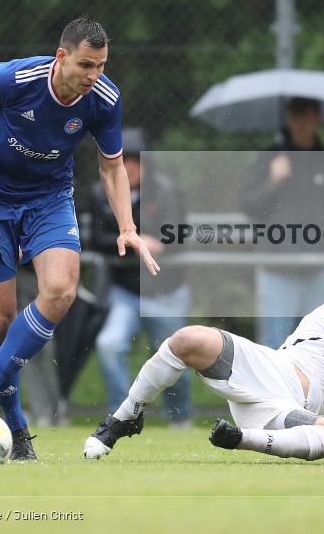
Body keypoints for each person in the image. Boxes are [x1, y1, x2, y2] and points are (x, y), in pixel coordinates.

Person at [0, 17, 159, 461]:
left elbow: (111, 166)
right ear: (61, 56)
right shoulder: (14, 78)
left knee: (62, 290)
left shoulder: (104, 98)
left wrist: (127, 227)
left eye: (101, 66)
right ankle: (16, 431)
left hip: (48, 198)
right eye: (86, 65)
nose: (94, 75)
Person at [83, 268, 324, 464]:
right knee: (189, 339)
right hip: (268, 370)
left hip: (285, 416)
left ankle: (240, 438)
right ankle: (123, 418)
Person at [91, 127, 193, 426]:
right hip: (125, 291)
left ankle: (180, 419)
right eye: (124, 161)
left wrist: (158, 243)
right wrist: (132, 241)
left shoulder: (166, 191)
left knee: (175, 358)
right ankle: (123, 417)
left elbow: (177, 235)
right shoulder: (102, 192)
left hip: (165, 292)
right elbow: (98, 237)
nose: (131, 167)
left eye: (137, 160)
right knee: (109, 345)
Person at [243, 97, 324, 349]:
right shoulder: (270, 158)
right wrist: (273, 182)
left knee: (315, 345)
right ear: (287, 120)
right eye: (295, 116)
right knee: (275, 345)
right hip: (276, 269)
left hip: (319, 270)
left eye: (307, 116)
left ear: (318, 119)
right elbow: (250, 207)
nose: (301, 122)